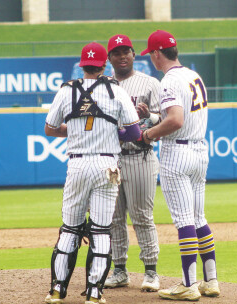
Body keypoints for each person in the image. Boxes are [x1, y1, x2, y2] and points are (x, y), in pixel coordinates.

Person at [43, 42, 140, 304]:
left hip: (76, 164)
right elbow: (134, 133)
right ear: (104, 64)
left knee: (69, 229)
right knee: (100, 230)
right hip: (106, 166)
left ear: (82, 64)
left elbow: (50, 129)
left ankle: (56, 290)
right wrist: (113, 132)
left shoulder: (66, 90)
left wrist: (74, 130)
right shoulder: (116, 91)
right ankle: (95, 293)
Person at [140, 30, 220, 301]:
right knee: (199, 218)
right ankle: (211, 281)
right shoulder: (193, 76)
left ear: (156, 53)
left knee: (184, 221)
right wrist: (151, 117)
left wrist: (149, 133)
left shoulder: (168, 81)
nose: (151, 58)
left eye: (150, 54)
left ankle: (188, 284)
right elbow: (175, 115)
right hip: (199, 151)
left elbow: (175, 121)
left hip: (178, 153)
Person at [103, 34, 162, 292]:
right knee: (114, 218)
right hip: (112, 160)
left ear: (134, 54)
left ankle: (150, 272)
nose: (122, 56)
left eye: (126, 51)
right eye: (117, 52)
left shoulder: (149, 83)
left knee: (142, 217)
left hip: (140, 156)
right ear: (109, 58)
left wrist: (150, 116)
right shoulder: (102, 86)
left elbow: (167, 118)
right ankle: (119, 270)